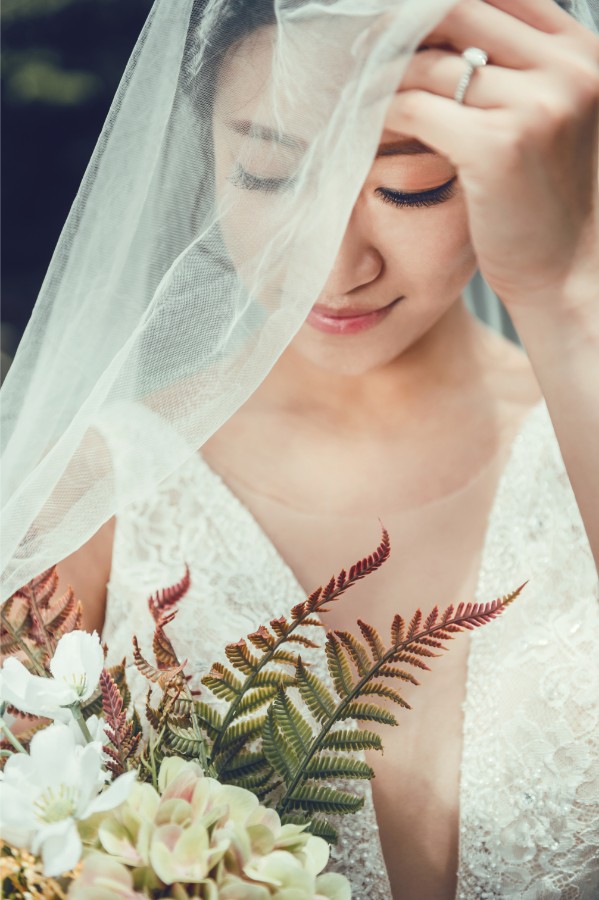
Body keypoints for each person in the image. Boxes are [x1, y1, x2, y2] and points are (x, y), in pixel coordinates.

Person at [2, 0, 599, 897]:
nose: (333, 265)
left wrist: (564, 292)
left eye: (412, 185)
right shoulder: (93, 491)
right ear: (201, 145)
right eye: (271, 174)